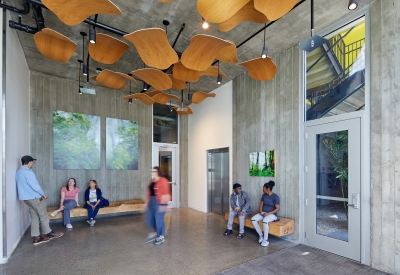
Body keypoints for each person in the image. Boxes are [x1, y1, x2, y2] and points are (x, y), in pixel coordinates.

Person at [15, 155, 64, 245]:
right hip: (34, 198)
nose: (33, 163)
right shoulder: (28, 172)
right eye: (33, 162)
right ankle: (49, 233)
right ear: (29, 162)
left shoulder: (19, 172)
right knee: (43, 215)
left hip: (26, 199)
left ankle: (37, 237)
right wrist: (43, 194)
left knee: (34, 217)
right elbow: (35, 186)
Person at [145, 166, 171, 245]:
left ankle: (161, 236)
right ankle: (155, 231)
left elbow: (166, 193)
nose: (152, 173)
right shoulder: (152, 180)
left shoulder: (163, 180)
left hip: (160, 202)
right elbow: (149, 192)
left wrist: (164, 205)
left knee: (159, 219)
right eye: (151, 171)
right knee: (149, 218)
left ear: (158, 172)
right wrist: (146, 202)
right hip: (152, 202)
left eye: (154, 171)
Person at [251, 181, 280, 247]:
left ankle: (266, 239)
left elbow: (277, 208)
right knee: (253, 219)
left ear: (268, 189)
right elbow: (261, 205)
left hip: (272, 214)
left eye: (264, 188)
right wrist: (261, 212)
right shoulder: (264, 195)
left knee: (264, 221)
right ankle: (261, 235)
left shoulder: (275, 197)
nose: (263, 189)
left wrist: (268, 213)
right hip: (263, 213)